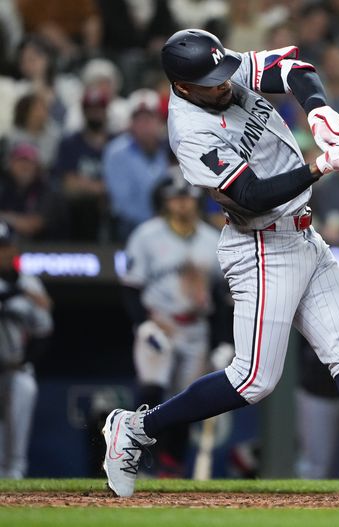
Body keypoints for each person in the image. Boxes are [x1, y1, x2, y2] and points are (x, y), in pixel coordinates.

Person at [101, 28, 339, 500]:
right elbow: (250, 196)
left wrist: (319, 109)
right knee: (253, 380)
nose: (224, 84)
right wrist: (319, 166)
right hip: (261, 245)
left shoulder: (221, 71)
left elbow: (295, 69)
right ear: (183, 86)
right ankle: (137, 429)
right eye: (211, 82)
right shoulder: (190, 131)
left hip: (304, 236)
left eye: (224, 74)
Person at [120, 171, 228, 477]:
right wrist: (143, 325)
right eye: (176, 199)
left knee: (187, 398)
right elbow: (130, 287)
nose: (182, 205)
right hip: (160, 324)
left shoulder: (212, 239)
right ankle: (131, 458)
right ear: (166, 202)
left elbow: (221, 297)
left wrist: (222, 341)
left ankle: (171, 464)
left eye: (187, 199)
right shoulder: (147, 235)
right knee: (151, 390)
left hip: (196, 327)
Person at [0, 220, 53, 478]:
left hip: (14, 368)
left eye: (6, 246)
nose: (3, 252)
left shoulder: (29, 285)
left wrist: (26, 361)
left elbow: (43, 330)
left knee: (25, 386)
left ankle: (14, 479)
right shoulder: (23, 289)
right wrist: (15, 293)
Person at [102, 88, 170, 241]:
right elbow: (123, 203)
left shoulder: (170, 149)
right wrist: (156, 224)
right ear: (130, 123)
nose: (145, 125)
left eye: (150, 119)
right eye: (139, 120)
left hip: (167, 222)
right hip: (131, 225)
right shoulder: (116, 152)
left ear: (159, 121)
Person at [52, 86, 113, 241]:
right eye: (91, 109)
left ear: (106, 111)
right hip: (79, 210)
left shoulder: (117, 143)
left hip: (112, 208)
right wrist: (104, 188)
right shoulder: (70, 143)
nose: (95, 113)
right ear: (84, 112)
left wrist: (86, 185)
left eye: (99, 109)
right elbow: (69, 186)